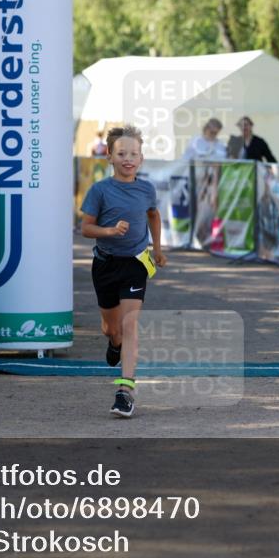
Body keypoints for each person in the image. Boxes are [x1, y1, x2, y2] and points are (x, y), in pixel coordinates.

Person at [80, 125, 166, 418]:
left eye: (134, 154)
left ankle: (125, 391)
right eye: (121, 154)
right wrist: (109, 230)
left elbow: (153, 215)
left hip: (135, 262)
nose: (128, 159)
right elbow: (85, 229)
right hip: (105, 263)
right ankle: (113, 343)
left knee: (130, 325)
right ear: (110, 156)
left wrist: (157, 248)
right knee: (112, 328)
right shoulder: (100, 190)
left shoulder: (147, 189)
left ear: (141, 159)